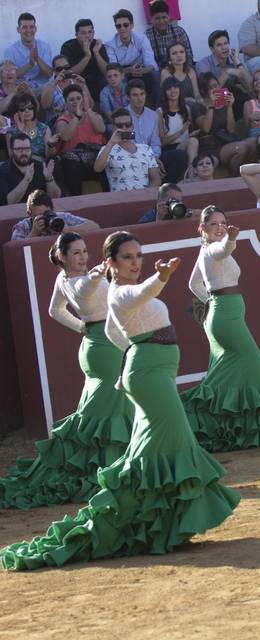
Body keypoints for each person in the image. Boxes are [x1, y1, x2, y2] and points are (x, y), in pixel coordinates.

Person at [0, 231, 241, 571]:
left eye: (138, 255)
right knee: (172, 441)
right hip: (147, 374)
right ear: (111, 262)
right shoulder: (119, 290)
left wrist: (127, 356)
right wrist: (161, 276)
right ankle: (142, 518)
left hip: (146, 370)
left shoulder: (110, 293)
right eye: (127, 257)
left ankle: (150, 521)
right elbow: (140, 292)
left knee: (155, 446)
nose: (135, 262)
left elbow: (112, 331)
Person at [0, 232, 131, 510]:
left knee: (99, 410)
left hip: (95, 343)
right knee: (110, 409)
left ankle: (95, 462)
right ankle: (108, 468)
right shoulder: (80, 280)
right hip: (105, 347)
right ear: (62, 256)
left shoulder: (63, 280)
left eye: (85, 251)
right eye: (76, 253)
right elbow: (82, 290)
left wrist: (81, 327)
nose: (83, 257)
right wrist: (97, 276)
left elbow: (54, 310)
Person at [180, 206, 260, 451]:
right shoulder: (213, 250)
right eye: (213, 224)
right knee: (252, 363)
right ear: (202, 229)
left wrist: (210, 301)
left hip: (222, 314)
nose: (219, 227)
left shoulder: (204, 252)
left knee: (230, 372)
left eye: (223, 222)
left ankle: (227, 428)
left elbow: (193, 284)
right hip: (225, 316)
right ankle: (191, 416)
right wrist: (230, 238)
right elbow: (224, 249)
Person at [128, 79, 188, 183]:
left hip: (153, 156)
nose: (139, 98)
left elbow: (155, 143)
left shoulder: (152, 115)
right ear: (128, 97)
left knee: (180, 156)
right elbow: (129, 143)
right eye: (135, 95)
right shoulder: (124, 116)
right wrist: (150, 161)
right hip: (132, 157)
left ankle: (167, 189)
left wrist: (154, 159)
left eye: (142, 94)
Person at [55, 84, 107, 196]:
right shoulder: (62, 120)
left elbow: (101, 129)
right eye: (71, 99)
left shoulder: (94, 115)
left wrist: (88, 109)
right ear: (66, 102)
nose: (76, 102)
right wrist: (76, 118)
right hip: (74, 160)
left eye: (78, 98)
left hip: (95, 157)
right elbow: (65, 136)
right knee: (73, 168)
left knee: (107, 165)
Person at [93, 108, 161, 192]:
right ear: (114, 128)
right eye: (119, 126)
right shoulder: (107, 149)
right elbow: (97, 168)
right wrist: (111, 143)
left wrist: (143, 196)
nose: (124, 128)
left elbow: (156, 180)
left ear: (132, 126)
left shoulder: (146, 148)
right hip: (119, 201)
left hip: (143, 199)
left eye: (127, 125)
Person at [195, 73, 246, 172]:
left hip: (225, 141)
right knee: (241, 147)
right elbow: (206, 128)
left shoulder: (225, 105)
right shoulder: (198, 107)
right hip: (210, 146)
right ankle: (232, 177)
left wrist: (230, 107)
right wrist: (211, 106)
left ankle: (234, 177)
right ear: (203, 90)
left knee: (251, 143)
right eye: (211, 87)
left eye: (216, 85)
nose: (215, 89)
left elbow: (231, 130)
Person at [106, 9, 160, 100]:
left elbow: (151, 62)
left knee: (156, 75)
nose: (122, 28)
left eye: (126, 25)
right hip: (123, 71)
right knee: (119, 80)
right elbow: (114, 69)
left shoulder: (142, 38)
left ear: (132, 25)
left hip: (141, 69)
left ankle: (157, 107)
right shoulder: (110, 45)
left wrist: (144, 70)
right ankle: (126, 110)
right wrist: (129, 70)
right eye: (118, 26)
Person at [195, 30, 254, 107]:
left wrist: (238, 63)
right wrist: (227, 72)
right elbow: (209, 92)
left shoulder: (234, 59)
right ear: (212, 49)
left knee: (240, 93)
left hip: (230, 98)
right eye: (219, 45)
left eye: (226, 43)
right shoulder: (203, 64)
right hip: (211, 103)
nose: (224, 48)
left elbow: (251, 86)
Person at [9, 189, 96, 241]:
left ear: (52, 210)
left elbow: (94, 226)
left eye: (47, 213)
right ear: (29, 214)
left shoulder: (60, 218)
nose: (45, 218)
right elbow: (15, 248)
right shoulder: (23, 226)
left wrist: (69, 229)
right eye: (39, 216)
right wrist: (34, 233)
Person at [1, 135, 61, 206]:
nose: (24, 153)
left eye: (27, 149)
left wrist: (49, 179)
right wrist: (26, 180)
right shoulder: (3, 171)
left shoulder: (41, 166)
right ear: (11, 150)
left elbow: (56, 197)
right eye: (19, 149)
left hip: (40, 211)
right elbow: (9, 202)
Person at [158, 77, 199, 175]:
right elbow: (162, 142)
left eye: (175, 87)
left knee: (193, 141)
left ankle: (191, 174)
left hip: (185, 145)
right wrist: (181, 131)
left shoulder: (186, 109)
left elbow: (189, 134)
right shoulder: (159, 112)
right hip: (169, 149)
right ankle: (191, 175)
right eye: (169, 89)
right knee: (192, 142)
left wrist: (192, 134)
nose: (173, 91)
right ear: (164, 92)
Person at [3, 13, 53, 91]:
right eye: (24, 27)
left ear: (35, 29)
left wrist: (37, 58)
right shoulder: (10, 50)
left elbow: (50, 74)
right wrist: (30, 65)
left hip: (42, 88)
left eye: (31, 27)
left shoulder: (44, 46)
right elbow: (10, 76)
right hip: (20, 89)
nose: (28, 30)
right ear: (18, 30)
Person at [60, 19, 110, 97]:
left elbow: (106, 72)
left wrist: (96, 52)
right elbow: (68, 73)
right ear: (76, 34)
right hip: (77, 80)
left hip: (97, 80)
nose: (87, 36)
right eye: (83, 33)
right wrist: (87, 56)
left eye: (90, 32)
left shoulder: (98, 45)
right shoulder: (68, 47)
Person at [5, 93, 58, 163]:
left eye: (30, 108)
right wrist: (21, 132)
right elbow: (12, 156)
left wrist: (50, 145)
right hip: (20, 166)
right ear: (16, 112)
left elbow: (49, 156)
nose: (27, 111)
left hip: (40, 166)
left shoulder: (43, 128)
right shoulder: (10, 132)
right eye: (22, 109)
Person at [145, 0, 195, 69]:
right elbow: (148, 61)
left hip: (181, 69)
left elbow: (189, 55)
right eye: (157, 18)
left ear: (169, 16)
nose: (161, 21)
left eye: (164, 17)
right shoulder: (146, 36)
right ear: (151, 18)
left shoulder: (179, 31)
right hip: (160, 72)